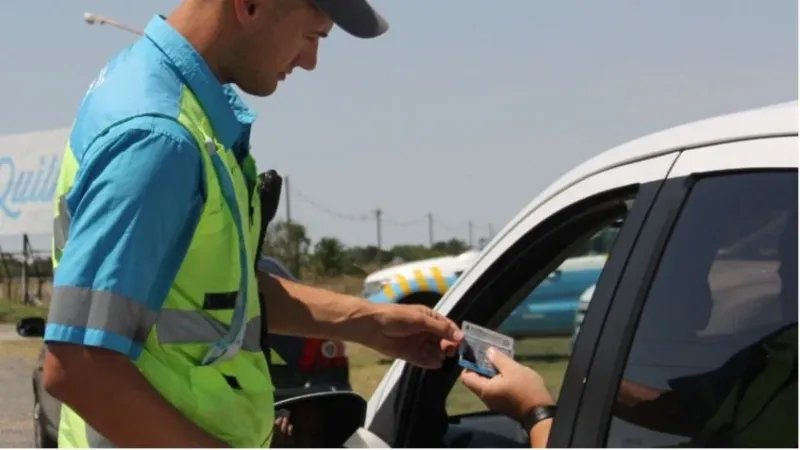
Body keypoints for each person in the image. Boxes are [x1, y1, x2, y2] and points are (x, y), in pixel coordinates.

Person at [42, 0, 463, 448]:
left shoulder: (167, 100)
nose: (310, 62)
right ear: (250, 5)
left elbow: (214, 289)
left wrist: (366, 323)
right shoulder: (159, 136)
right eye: (312, 36)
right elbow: (80, 364)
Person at [461, 213, 798, 448]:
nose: (781, 269)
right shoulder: (778, 350)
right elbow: (686, 408)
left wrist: (535, 410)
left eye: (789, 252)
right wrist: (604, 389)